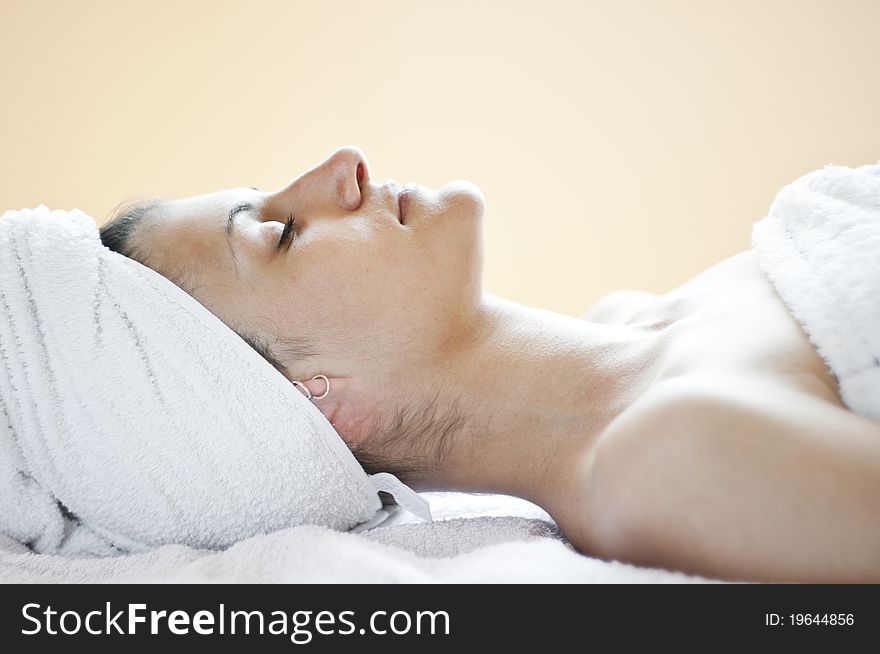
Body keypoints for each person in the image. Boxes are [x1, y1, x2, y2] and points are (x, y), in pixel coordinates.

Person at [99, 146, 880, 583]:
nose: (343, 166)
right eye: (279, 233)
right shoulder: (668, 456)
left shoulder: (633, 316)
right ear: (312, 399)